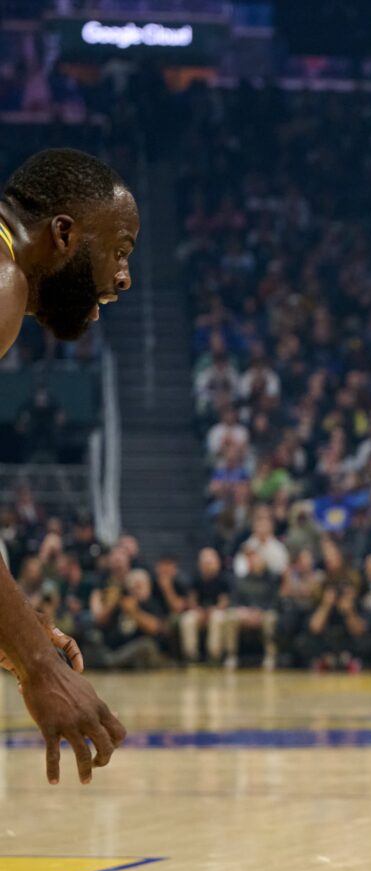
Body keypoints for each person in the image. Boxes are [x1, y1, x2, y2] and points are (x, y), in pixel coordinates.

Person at [0, 148, 136, 782]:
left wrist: (16, 626)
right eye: (121, 249)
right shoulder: (3, 279)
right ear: (63, 234)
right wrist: (38, 662)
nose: (125, 276)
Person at [180, 547, 231, 664]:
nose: (207, 566)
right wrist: (198, 611)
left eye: (210, 563)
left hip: (217, 611)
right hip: (199, 611)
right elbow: (191, 599)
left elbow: (224, 601)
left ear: (217, 563)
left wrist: (213, 610)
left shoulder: (223, 579)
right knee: (187, 619)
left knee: (217, 618)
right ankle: (191, 655)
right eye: (204, 563)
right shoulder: (195, 578)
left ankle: (214, 655)